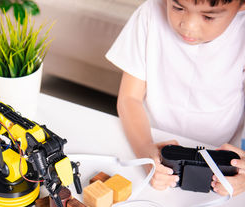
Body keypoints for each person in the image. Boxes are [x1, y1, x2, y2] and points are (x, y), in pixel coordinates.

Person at [105, 0, 245, 191]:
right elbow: (130, 98)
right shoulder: (150, 13)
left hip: (222, 159)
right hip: (153, 142)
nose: (188, 25)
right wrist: (145, 149)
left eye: (208, 16)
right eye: (178, 7)